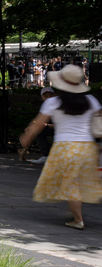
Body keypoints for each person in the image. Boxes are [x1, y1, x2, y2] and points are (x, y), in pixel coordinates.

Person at [20, 65, 102, 229]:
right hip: (87, 147)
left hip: (65, 148)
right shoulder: (91, 100)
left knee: (70, 183)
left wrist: (27, 137)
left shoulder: (53, 102)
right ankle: (75, 212)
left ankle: (78, 219)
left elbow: (39, 124)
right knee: (83, 181)